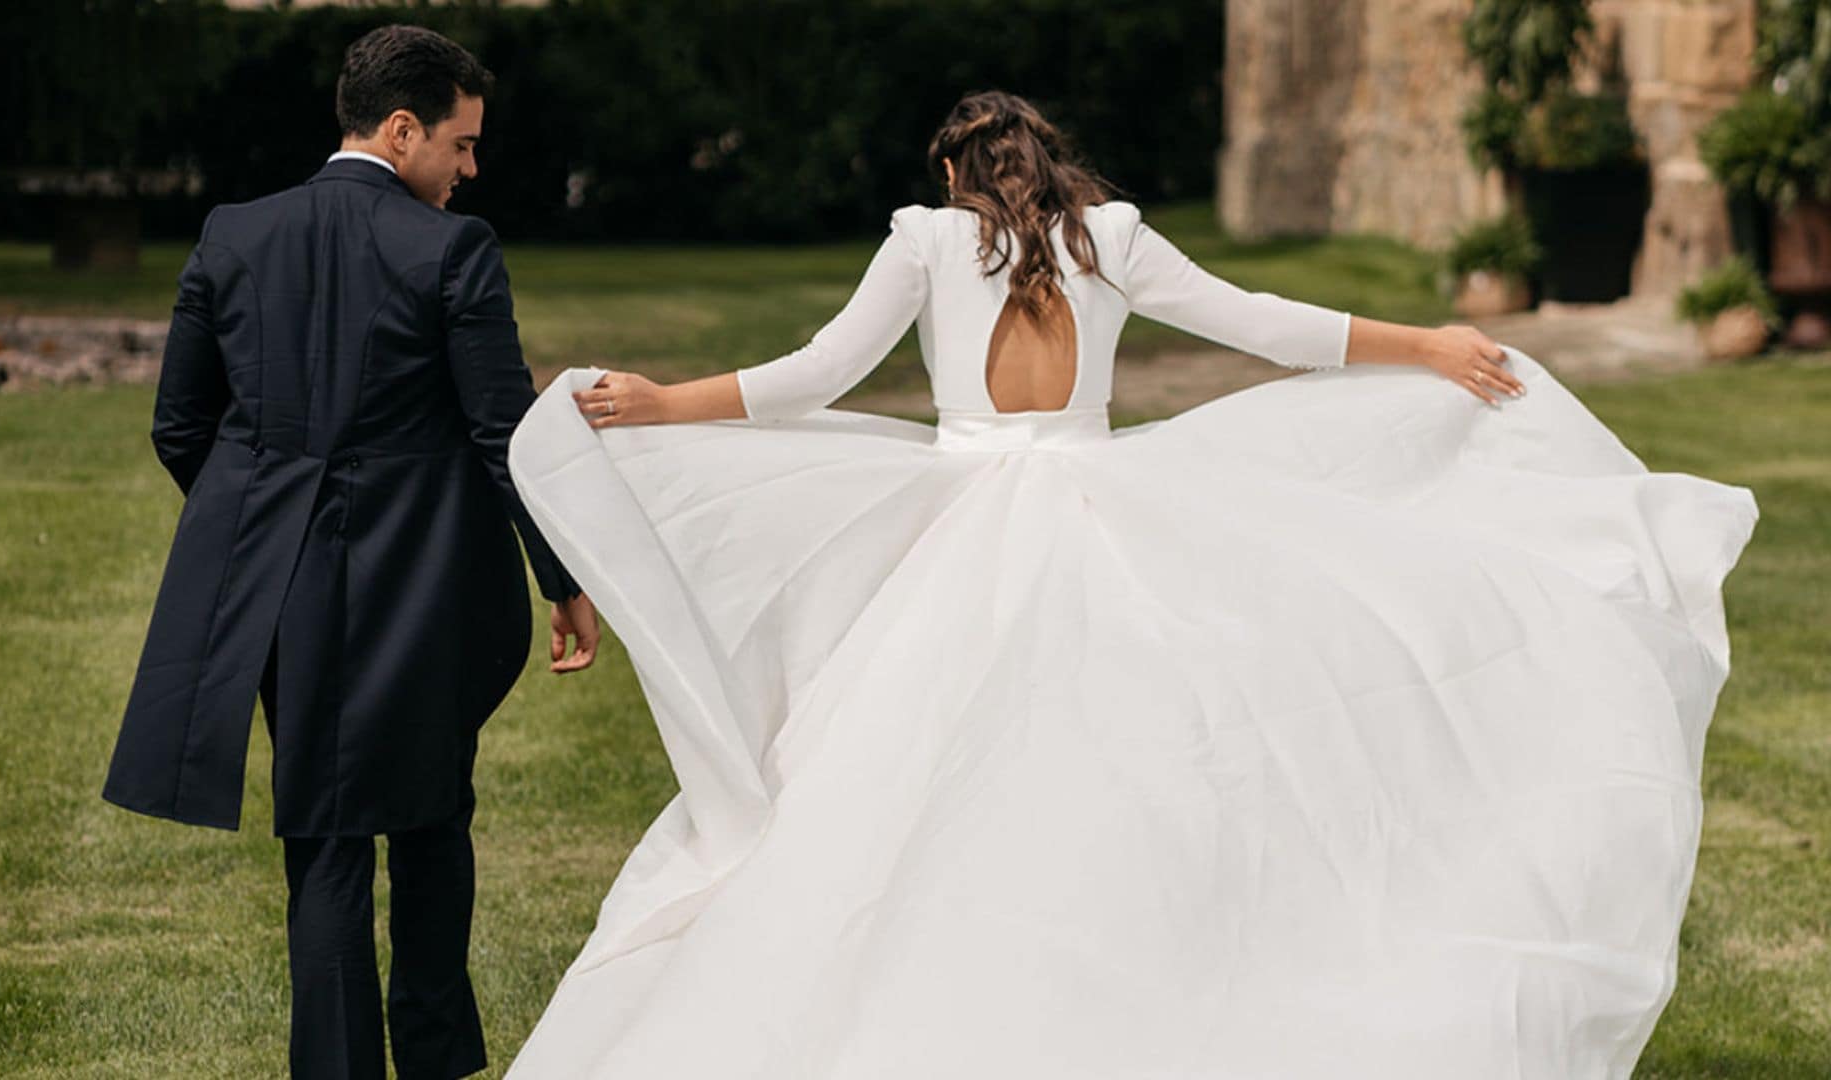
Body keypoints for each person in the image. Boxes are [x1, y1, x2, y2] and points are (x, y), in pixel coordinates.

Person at [503, 92, 1758, 1077]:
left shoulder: (930, 243)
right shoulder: (1110, 236)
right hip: (1106, 512)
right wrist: (1424, 342)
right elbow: (1262, 320)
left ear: (951, 174)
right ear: (1050, 163)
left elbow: (814, 375)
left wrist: (667, 402)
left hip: (964, 533)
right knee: (1138, 773)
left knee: (912, 778)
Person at [101, 25, 598, 1079]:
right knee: (429, 821)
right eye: (460, 146)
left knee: (323, 838)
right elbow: (507, 436)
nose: (470, 170)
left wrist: (268, 524)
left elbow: (180, 427)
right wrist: (564, 580)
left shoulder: (235, 232)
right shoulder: (455, 249)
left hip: (283, 596)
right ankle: (432, 1061)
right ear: (403, 127)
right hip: (427, 592)